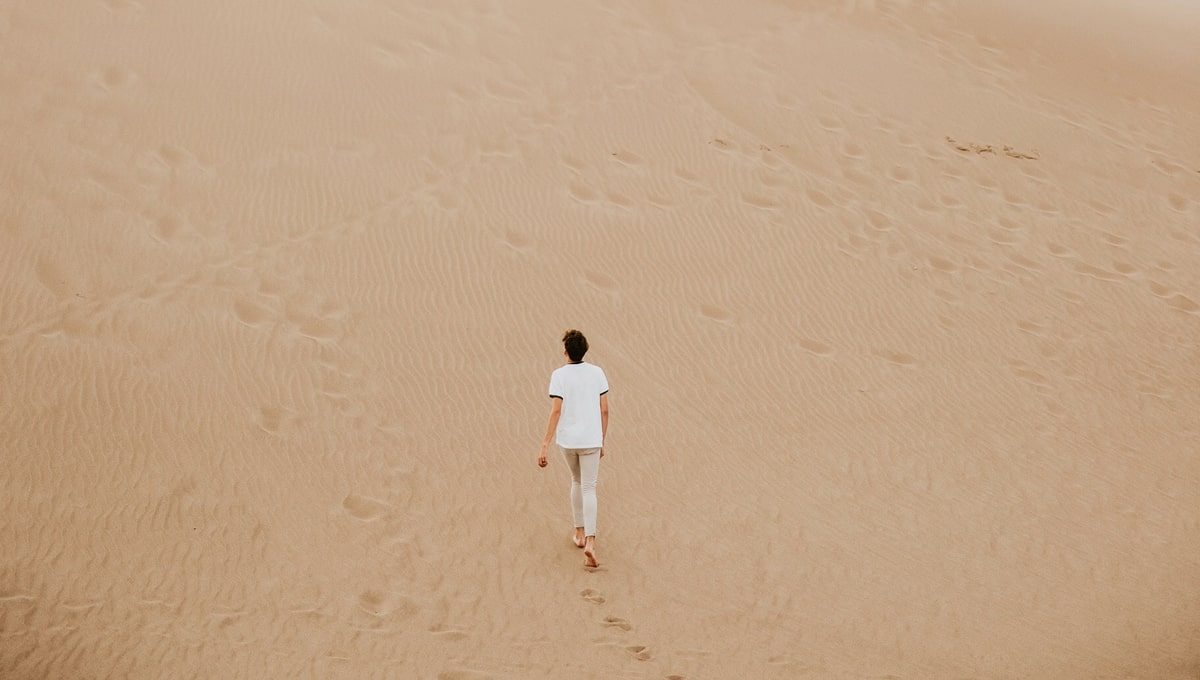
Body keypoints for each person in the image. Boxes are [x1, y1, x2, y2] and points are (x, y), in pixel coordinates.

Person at [538, 329, 609, 568]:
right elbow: (605, 409)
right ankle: (590, 540)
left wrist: (545, 444)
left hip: (568, 441)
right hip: (591, 439)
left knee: (576, 482)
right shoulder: (597, 373)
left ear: (565, 351)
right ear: (585, 350)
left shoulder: (558, 375)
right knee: (589, 487)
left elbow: (556, 410)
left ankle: (579, 533)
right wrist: (602, 440)